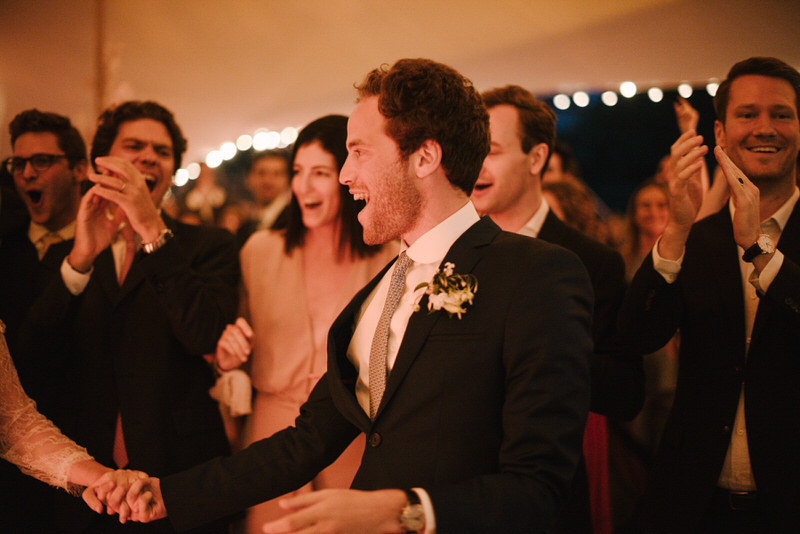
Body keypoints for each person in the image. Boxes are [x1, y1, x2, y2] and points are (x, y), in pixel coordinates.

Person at [90, 58, 593, 534]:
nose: (346, 174)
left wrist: (402, 512)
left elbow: (541, 488)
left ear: (424, 157)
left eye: (359, 152)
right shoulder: (378, 293)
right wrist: (169, 494)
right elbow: (305, 442)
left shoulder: (537, 274)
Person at [27, 100, 239, 533]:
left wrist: (150, 229)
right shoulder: (64, 250)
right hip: (86, 476)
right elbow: (33, 356)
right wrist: (81, 260)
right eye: (134, 146)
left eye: (162, 152)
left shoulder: (209, 245)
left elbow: (204, 334)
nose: (149, 157)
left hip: (180, 473)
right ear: (102, 163)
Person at [619, 56, 800, 533]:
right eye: (748, 114)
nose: (765, 128)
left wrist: (758, 250)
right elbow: (637, 336)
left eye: (781, 114)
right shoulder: (698, 237)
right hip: (694, 503)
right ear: (720, 132)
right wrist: (678, 228)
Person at [471, 85, 643, 534]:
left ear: (536, 158)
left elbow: (625, 393)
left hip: (549, 495)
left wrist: (546, 350)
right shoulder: (450, 254)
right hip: (456, 495)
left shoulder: (591, 261)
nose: (475, 164)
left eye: (490, 151)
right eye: (469, 150)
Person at [214, 115, 397, 532]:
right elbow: (235, 351)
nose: (304, 186)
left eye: (320, 173)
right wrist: (228, 357)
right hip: (271, 435)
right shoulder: (260, 251)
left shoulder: (386, 258)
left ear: (349, 177)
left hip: (350, 435)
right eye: (298, 171)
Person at [0, 109, 88, 531]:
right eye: (18, 163)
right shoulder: (5, 245)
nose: (28, 173)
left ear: (79, 170)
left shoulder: (110, 250)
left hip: (84, 447)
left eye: (42, 161)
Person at [235, 149, 291, 247]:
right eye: (261, 173)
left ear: (287, 180)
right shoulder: (245, 228)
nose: (268, 180)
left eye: (277, 174)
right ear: (247, 179)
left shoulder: (292, 222)